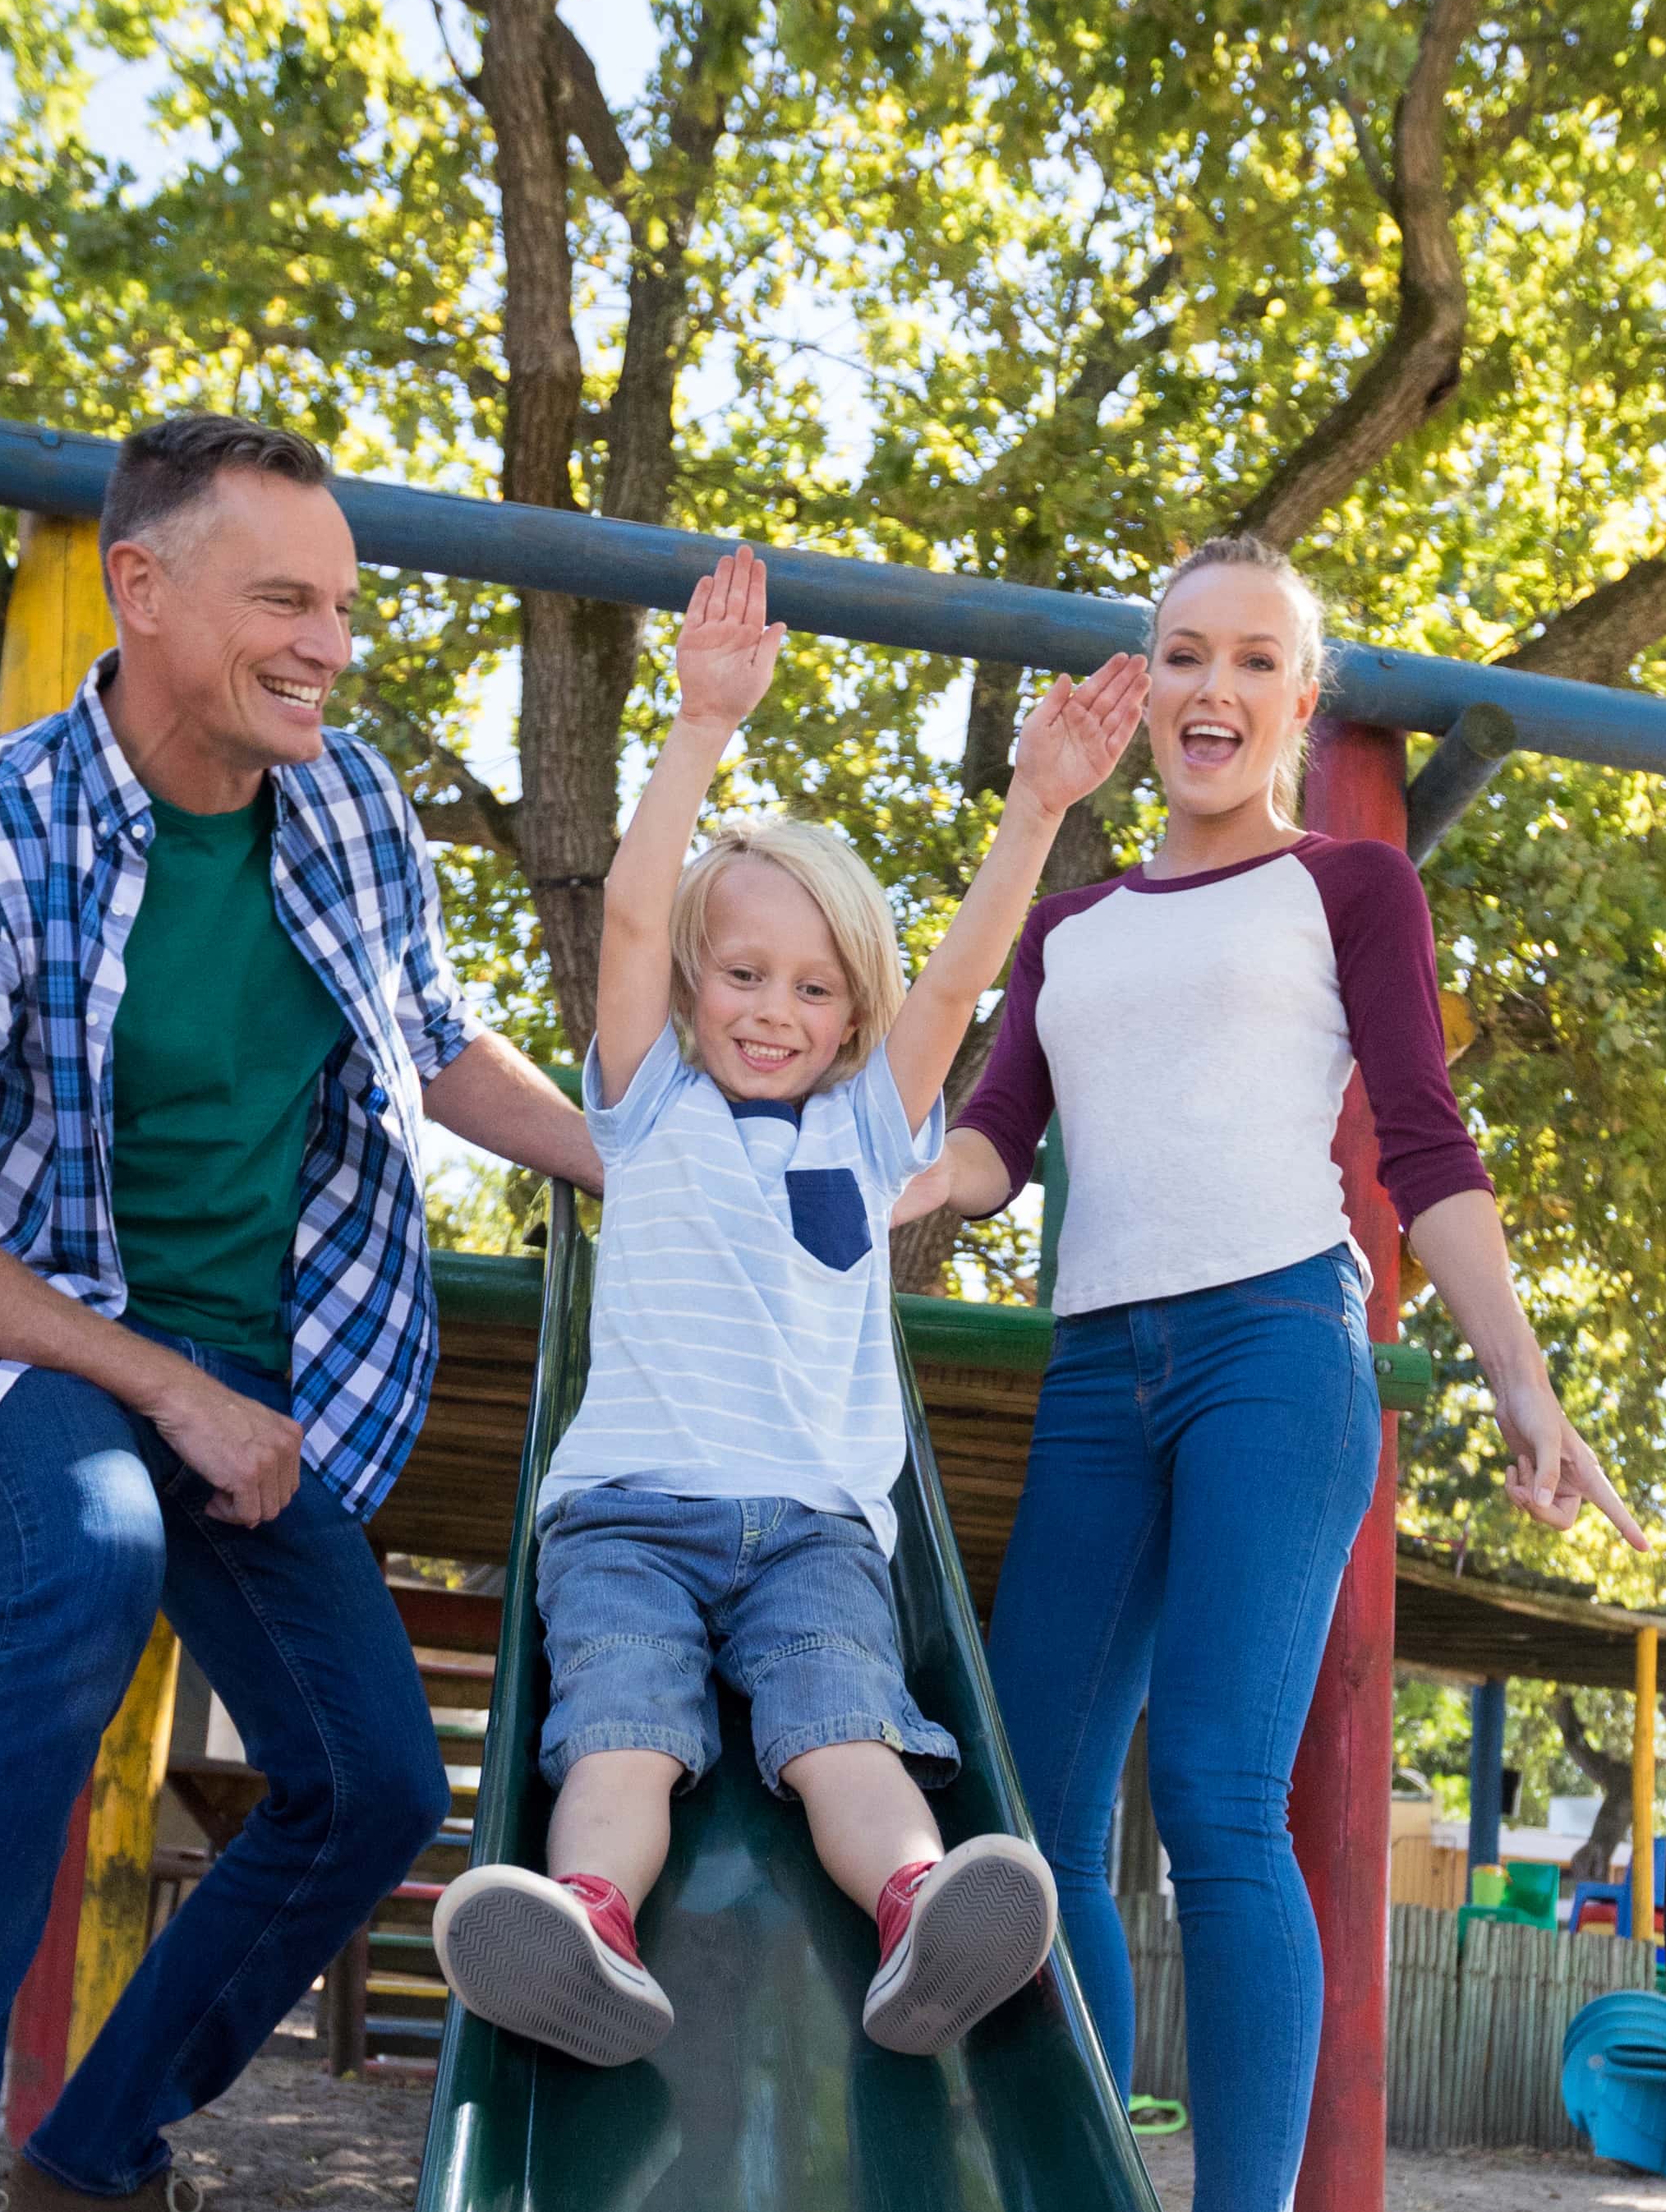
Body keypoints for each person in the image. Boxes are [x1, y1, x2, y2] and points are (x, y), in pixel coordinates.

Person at [0, 411, 602, 2212]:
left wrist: (656, 1176)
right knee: (86, 1566)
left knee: (377, 1780)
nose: (325, 642)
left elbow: (436, 1042)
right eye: (281, 600)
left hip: (266, 1358)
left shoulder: (344, 807)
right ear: (141, 590)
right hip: (32, 1339)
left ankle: (93, 2148)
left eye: (339, 606)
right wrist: (162, 1386)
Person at [894, 533, 1640, 2212]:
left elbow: (1426, 1142)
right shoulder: (1073, 928)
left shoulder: (1350, 887)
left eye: (1254, 661)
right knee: (1039, 1799)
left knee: (1220, 1787)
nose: (1212, 690)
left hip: (1273, 1355)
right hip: (1098, 1367)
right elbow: (992, 1138)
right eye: (1179, 657)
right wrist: (903, 1195)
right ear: (1139, 690)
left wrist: (1522, 1383)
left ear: (1302, 702)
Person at [430, 550, 1144, 2064]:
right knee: (620, 1724)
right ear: (692, 993)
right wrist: (697, 731)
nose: (775, 1009)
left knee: (842, 1727)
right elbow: (630, 917)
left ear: (855, 1016)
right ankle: (584, 1931)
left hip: (813, 1529)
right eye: (743, 975)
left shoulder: (868, 1134)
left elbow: (961, 982)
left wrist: (1037, 814)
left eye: (816, 989)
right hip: (627, 1512)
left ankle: (920, 1912)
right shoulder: (650, 1110)